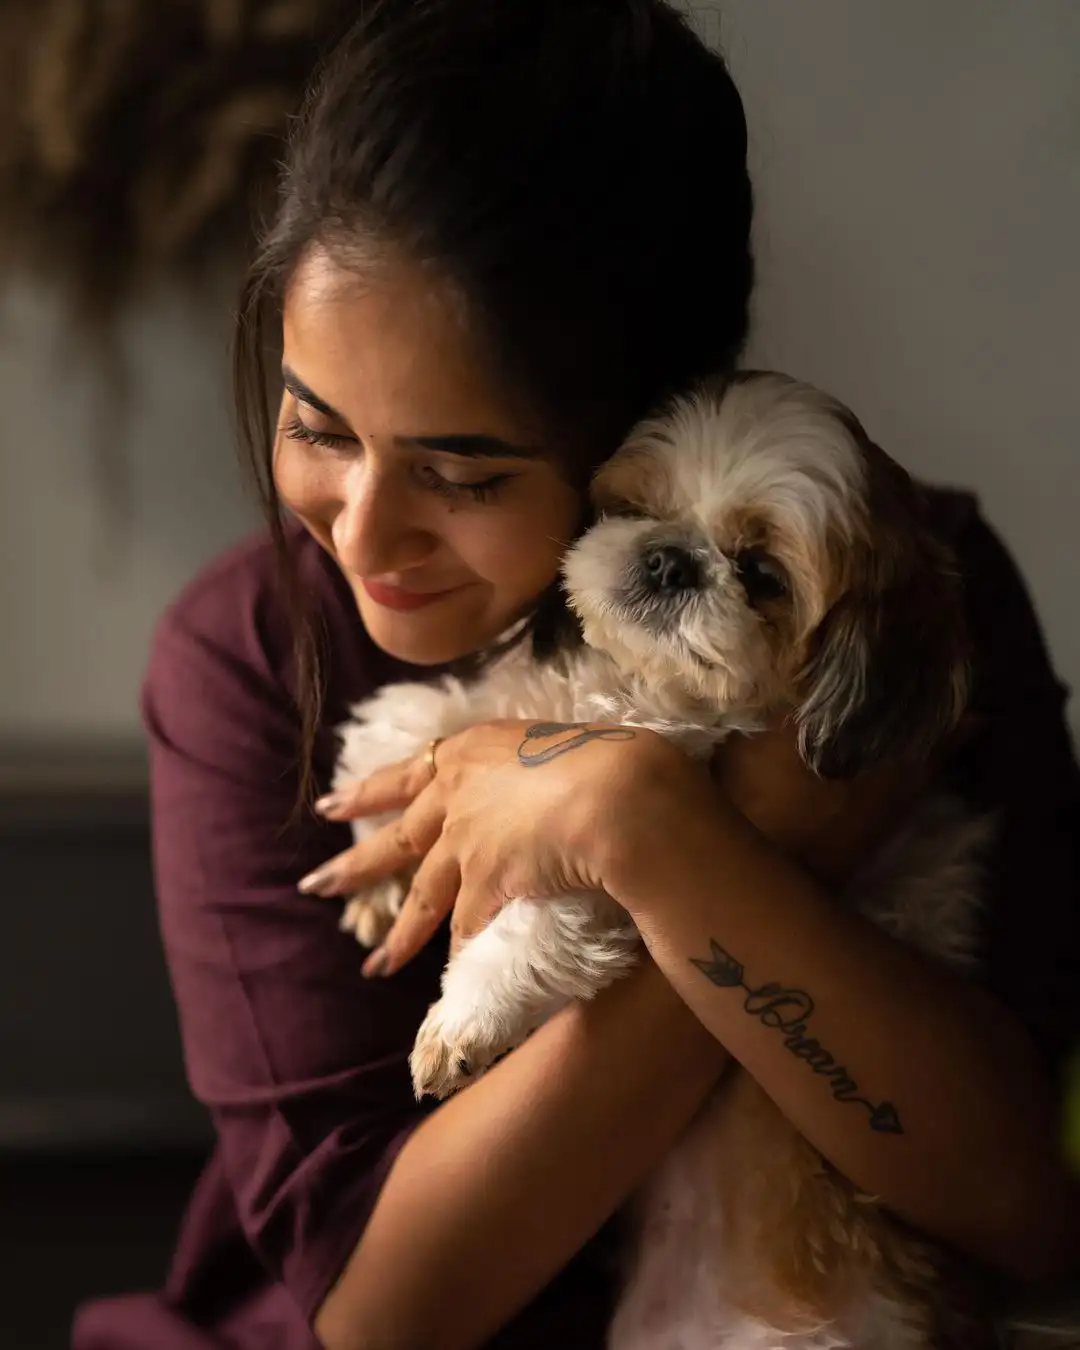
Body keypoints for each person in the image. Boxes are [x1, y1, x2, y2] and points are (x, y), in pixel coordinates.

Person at [73, 3, 1080, 1348]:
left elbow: (1022, 1213)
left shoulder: (898, 603)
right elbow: (383, 1316)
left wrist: (644, 832)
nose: (365, 530)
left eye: (464, 472)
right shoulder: (251, 657)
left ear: (647, 417)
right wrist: (737, 844)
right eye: (317, 426)